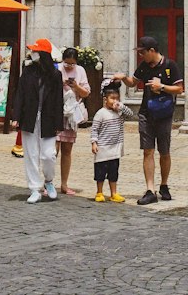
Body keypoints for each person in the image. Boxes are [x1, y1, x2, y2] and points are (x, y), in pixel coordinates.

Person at [110, 35, 183, 206]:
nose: (141, 56)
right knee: (147, 151)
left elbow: (179, 89)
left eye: (143, 52)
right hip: (146, 113)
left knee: (164, 152)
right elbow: (133, 83)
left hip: (164, 114)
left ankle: (164, 185)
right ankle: (150, 190)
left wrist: (162, 87)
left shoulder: (170, 65)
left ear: (152, 51)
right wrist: (123, 78)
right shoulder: (144, 66)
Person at [13, 37, 64, 204]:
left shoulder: (55, 75)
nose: (32, 54)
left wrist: (59, 123)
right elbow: (20, 93)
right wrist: (16, 116)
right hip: (29, 117)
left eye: (35, 51)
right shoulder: (28, 72)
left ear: (42, 54)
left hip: (48, 118)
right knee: (31, 154)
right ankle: (34, 188)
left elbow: (58, 100)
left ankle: (49, 181)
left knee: (49, 155)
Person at [56, 46, 91, 194]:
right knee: (53, 149)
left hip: (72, 115)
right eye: (67, 63)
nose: (69, 66)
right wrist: (60, 82)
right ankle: (48, 182)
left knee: (67, 150)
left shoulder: (80, 71)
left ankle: (64, 184)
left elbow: (86, 93)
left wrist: (75, 86)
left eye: (72, 63)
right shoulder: (56, 68)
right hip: (57, 111)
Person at [90, 80, 127, 202]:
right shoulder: (100, 114)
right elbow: (94, 129)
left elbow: (130, 114)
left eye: (117, 98)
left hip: (115, 149)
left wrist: (121, 107)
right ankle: (99, 192)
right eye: (112, 98)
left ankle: (113, 193)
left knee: (113, 173)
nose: (115, 101)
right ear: (105, 99)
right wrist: (94, 142)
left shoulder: (119, 113)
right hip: (103, 149)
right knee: (100, 173)